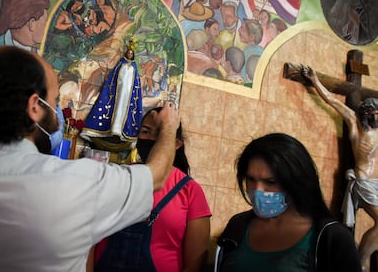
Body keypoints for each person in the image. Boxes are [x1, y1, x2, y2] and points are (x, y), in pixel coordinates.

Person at [0, 45, 180, 272]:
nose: (57, 109)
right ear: (35, 107)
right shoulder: (76, 182)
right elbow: (156, 177)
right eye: (55, 100)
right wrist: (168, 128)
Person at [216, 133, 361, 271]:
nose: (258, 190)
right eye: (251, 179)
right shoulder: (238, 226)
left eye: (270, 182)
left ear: (296, 183)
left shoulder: (332, 238)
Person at [92, 107, 212, 272]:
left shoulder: (191, 191)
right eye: (145, 132)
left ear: (176, 144)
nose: (151, 139)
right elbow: (90, 235)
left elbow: (195, 262)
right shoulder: (119, 176)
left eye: (160, 133)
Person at [302, 66, 378, 272]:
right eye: (375, 112)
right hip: (363, 182)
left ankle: (362, 261)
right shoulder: (355, 123)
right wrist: (315, 79)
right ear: (367, 112)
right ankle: (361, 258)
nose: (377, 116)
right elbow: (332, 100)